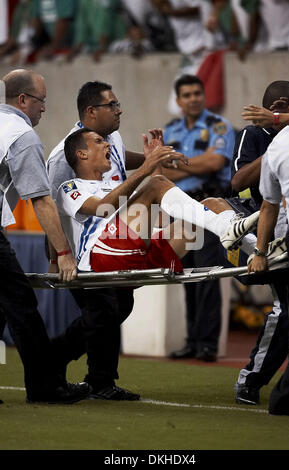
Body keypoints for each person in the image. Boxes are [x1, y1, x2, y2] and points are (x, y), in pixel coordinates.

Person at [47, 80, 164, 400]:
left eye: (117, 103)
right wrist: (59, 254)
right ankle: (78, 370)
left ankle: (88, 374)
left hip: (115, 243)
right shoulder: (62, 156)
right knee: (102, 314)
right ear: (90, 111)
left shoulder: (110, 137)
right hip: (84, 251)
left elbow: (121, 158)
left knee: (116, 310)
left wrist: (150, 157)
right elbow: (49, 206)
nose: (119, 109)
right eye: (111, 105)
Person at [57, 128, 262, 282]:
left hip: (139, 253)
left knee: (214, 204)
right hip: (102, 258)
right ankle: (227, 228)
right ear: (82, 154)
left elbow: (160, 208)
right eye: (99, 141)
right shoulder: (70, 187)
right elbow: (103, 208)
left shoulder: (115, 184)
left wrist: (155, 165)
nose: (108, 145)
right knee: (155, 185)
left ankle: (258, 249)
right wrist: (147, 167)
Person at [0, 68, 90, 404]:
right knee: (21, 304)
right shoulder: (19, 135)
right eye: (41, 101)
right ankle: (45, 386)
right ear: (23, 100)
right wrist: (63, 252)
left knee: (4, 305)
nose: (44, 108)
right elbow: (40, 199)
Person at [163, 74, 235, 362]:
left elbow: (215, 162)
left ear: (203, 96)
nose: (193, 98)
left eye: (197, 93)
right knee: (185, 274)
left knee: (208, 273)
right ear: (179, 100)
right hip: (179, 208)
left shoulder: (219, 126)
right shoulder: (170, 129)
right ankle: (192, 340)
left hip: (207, 206)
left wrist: (180, 164)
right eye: (187, 94)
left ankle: (207, 343)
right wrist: (195, 164)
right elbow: (160, 172)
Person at [230, 80, 289, 406]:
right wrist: (277, 145)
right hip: (267, 227)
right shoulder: (255, 136)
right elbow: (238, 182)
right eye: (284, 106)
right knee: (286, 309)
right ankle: (251, 379)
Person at [248, 79, 289, 415]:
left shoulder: (280, 145)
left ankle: (285, 396)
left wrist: (260, 252)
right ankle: (284, 396)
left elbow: (268, 205)